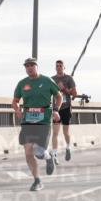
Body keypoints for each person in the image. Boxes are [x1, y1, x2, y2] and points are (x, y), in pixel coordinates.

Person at [12, 58, 61, 191]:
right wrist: (17, 110)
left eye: (32, 65)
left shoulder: (46, 81)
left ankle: (48, 156)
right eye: (27, 66)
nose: (29, 68)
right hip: (27, 120)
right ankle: (37, 180)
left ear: (37, 67)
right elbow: (15, 101)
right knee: (28, 151)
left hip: (43, 121)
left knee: (38, 151)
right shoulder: (22, 83)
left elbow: (58, 96)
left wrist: (56, 110)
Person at [50, 60, 78, 163]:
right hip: (56, 109)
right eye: (57, 66)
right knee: (55, 133)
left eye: (60, 66)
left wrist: (65, 89)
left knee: (66, 132)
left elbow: (75, 94)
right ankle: (55, 155)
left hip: (66, 108)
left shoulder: (69, 78)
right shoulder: (52, 79)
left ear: (64, 67)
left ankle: (68, 148)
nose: (58, 67)